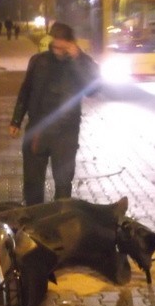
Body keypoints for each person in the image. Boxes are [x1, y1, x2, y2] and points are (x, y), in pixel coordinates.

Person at [8, 21, 99, 205]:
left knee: (63, 184)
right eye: (54, 45)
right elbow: (26, 90)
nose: (57, 50)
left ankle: (59, 224)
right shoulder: (39, 61)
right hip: (38, 130)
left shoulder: (82, 62)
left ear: (70, 44)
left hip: (65, 134)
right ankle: (33, 224)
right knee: (33, 184)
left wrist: (77, 59)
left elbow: (93, 89)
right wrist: (16, 121)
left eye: (62, 46)